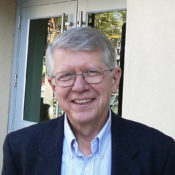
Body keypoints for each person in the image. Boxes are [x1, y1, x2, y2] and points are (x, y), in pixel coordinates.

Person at [2, 27, 175, 175]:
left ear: (114, 80)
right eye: (66, 75)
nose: (79, 87)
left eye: (92, 72)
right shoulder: (20, 149)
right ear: (53, 86)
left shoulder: (160, 151)